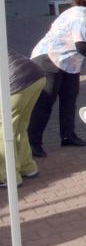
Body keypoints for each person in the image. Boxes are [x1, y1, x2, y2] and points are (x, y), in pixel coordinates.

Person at [28, 0, 86, 158]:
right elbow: (83, 48)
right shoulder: (80, 16)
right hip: (49, 58)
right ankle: (33, 143)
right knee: (45, 102)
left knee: (69, 100)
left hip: (69, 63)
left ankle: (68, 136)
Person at [0, 51, 46, 187]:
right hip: (36, 76)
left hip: (16, 82)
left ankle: (8, 176)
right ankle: (27, 167)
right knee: (20, 125)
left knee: (4, 130)